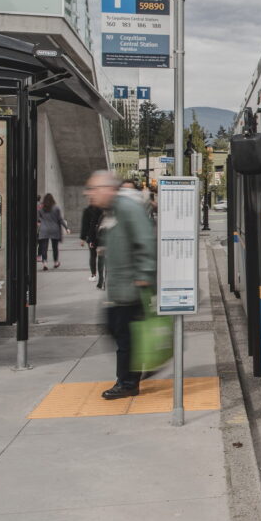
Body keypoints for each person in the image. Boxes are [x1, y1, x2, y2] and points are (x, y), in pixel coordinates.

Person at [85, 171, 156, 400]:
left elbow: (145, 239)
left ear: (108, 188)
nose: (90, 194)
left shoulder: (126, 208)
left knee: (124, 336)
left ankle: (127, 382)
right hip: (119, 286)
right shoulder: (114, 209)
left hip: (130, 286)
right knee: (117, 330)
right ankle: (139, 366)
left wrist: (144, 274)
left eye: (94, 189)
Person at [37, 193, 69, 270]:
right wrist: (66, 228)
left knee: (44, 247)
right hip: (54, 229)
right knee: (55, 247)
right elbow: (60, 219)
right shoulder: (56, 208)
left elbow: (38, 218)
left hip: (44, 229)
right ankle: (56, 262)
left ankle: (45, 263)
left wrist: (42, 222)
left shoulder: (41, 208)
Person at [80, 201, 103, 283]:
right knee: (101, 256)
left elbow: (85, 225)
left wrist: (82, 238)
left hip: (92, 237)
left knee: (93, 255)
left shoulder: (87, 210)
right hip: (101, 236)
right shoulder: (102, 209)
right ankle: (101, 275)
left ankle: (93, 275)